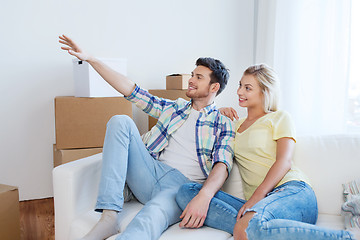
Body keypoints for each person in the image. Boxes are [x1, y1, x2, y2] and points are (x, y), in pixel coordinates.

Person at [59, 34, 235, 240]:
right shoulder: (175, 107)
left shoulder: (222, 122)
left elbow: (222, 164)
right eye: (192, 75)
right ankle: (108, 218)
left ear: (214, 87)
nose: (191, 80)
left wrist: (204, 196)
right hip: (150, 171)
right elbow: (131, 90)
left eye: (199, 77)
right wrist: (91, 59)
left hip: (182, 187)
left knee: (149, 218)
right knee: (120, 121)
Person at [176, 64, 355, 240]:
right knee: (187, 192)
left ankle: (344, 238)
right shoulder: (233, 125)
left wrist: (256, 199)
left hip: (291, 192)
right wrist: (216, 112)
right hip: (260, 205)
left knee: (248, 225)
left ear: (264, 92)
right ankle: (253, 226)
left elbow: (284, 162)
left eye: (248, 88)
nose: (239, 92)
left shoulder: (279, 117)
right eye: (240, 85)